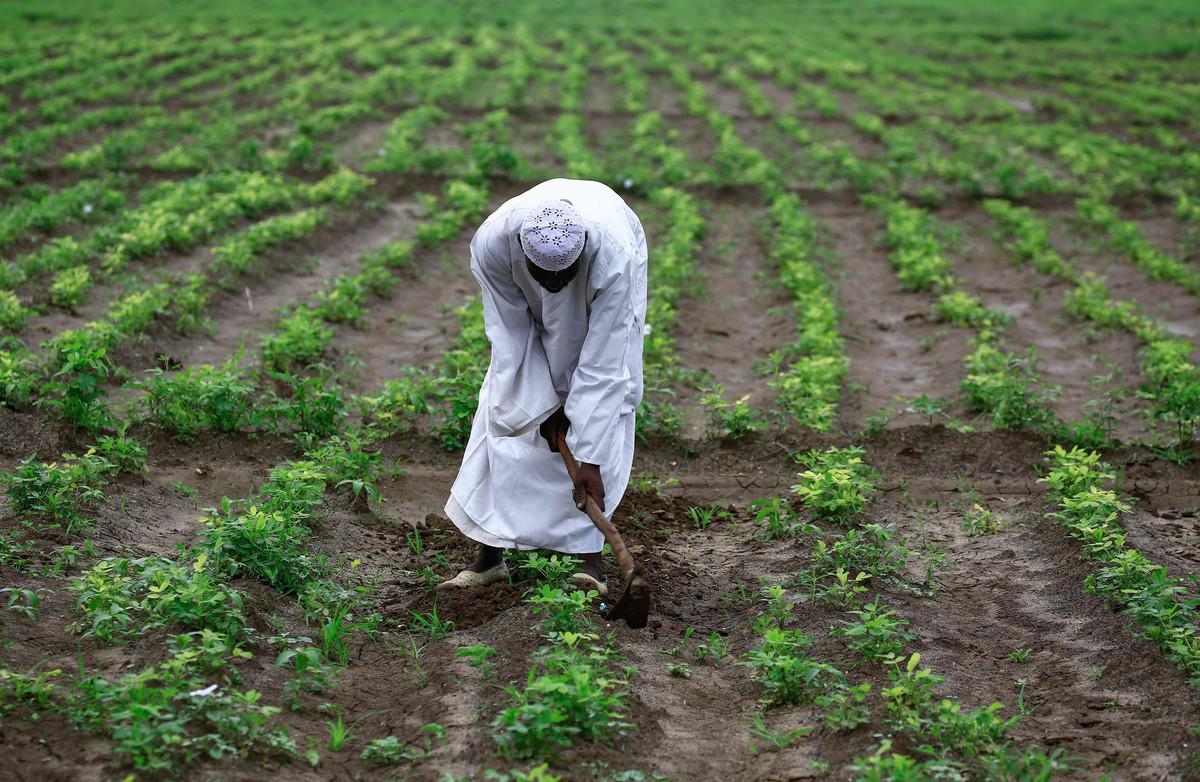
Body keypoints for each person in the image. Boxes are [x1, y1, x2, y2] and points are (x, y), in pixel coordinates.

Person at [438, 178, 648, 596]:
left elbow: (604, 364)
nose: (554, 285)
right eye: (544, 275)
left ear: (583, 251)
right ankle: (489, 558)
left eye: (564, 275)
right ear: (522, 250)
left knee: (603, 413)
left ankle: (590, 564)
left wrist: (588, 457)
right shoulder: (494, 244)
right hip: (521, 322)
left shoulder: (614, 258)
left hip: (606, 303)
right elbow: (511, 334)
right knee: (506, 406)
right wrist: (540, 405)